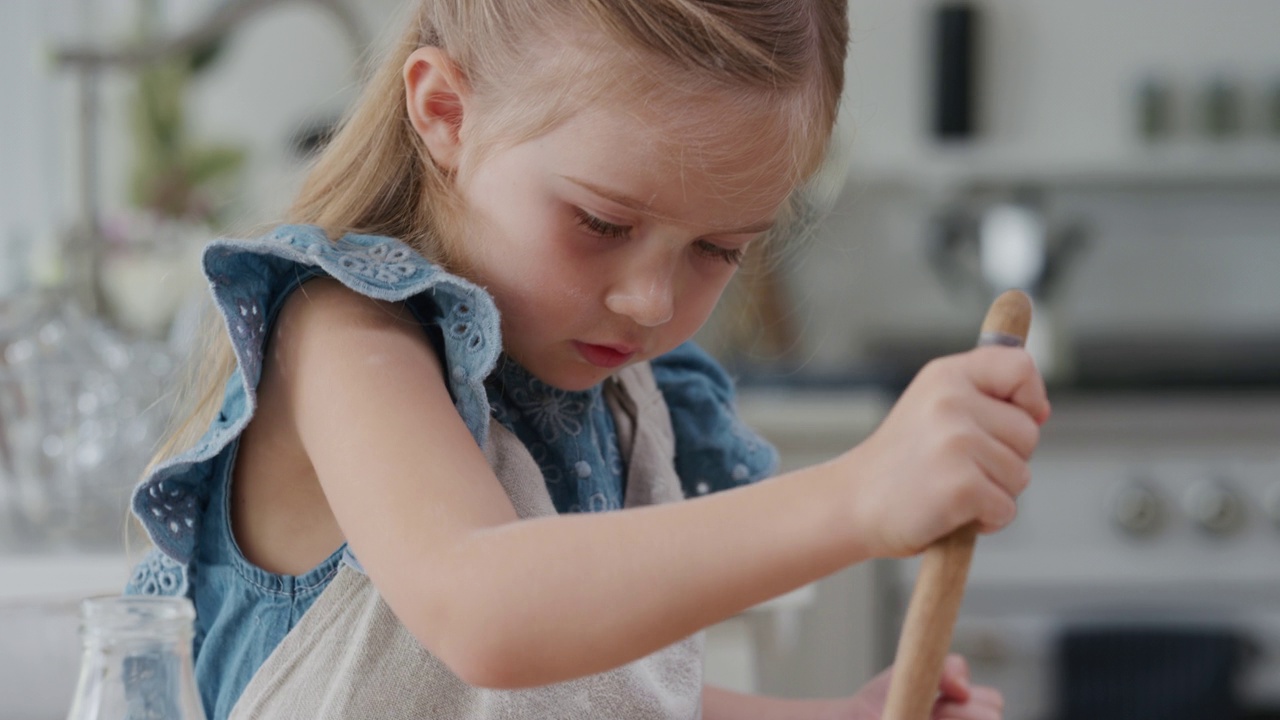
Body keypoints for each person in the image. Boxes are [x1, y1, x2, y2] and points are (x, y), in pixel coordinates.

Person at [124, 1, 1050, 719]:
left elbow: (576, 698)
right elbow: (486, 611)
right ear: (445, 113)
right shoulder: (345, 334)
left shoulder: (616, 394)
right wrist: (858, 496)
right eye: (602, 222)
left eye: (718, 250)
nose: (651, 302)